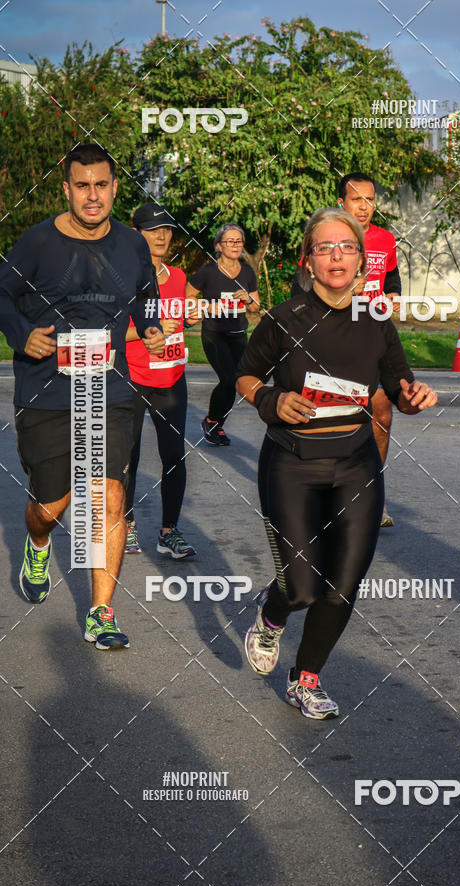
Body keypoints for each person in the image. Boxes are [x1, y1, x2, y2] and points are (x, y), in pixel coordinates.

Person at [237, 208, 437, 719]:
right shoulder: (284, 319)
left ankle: (305, 680)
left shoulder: (376, 323)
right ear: (307, 260)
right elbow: (246, 376)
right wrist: (270, 402)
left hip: (355, 465)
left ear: (362, 262)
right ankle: (272, 613)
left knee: (343, 584)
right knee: (302, 588)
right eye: (324, 247)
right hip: (291, 464)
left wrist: (413, 397)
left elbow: (397, 386)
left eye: (346, 247)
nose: (336, 256)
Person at [0, 144, 164, 649]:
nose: (93, 196)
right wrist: (20, 332)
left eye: (102, 185)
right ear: (66, 188)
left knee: (108, 497)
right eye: (82, 185)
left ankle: (101, 611)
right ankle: (39, 540)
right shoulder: (36, 243)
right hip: (46, 389)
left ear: (115, 187)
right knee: (52, 504)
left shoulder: (133, 246)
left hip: (110, 387)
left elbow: (145, 291)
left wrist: (151, 324)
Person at [292, 173, 402, 527]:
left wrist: (394, 294)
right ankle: (321, 492)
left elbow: (392, 277)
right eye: (357, 200)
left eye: (370, 200)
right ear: (342, 202)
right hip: (333, 337)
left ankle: (371, 494)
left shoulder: (386, 239)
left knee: (382, 414)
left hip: (373, 335)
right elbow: (301, 287)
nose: (365, 207)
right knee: (332, 418)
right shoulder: (325, 235)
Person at [124, 202, 197, 558]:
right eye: (154, 229)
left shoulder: (179, 277)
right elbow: (110, 333)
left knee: (174, 456)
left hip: (172, 379)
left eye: (167, 229)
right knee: (130, 457)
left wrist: (191, 319)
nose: (162, 235)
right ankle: (127, 524)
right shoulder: (123, 278)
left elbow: (180, 319)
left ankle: (169, 532)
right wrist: (147, 332)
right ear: (136, 233)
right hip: (134, 379)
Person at [187, 224, 260, 445]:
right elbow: (188, 296)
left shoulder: (247, 272)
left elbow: (256, 306)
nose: (235, 245)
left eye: (239, 241)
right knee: (228, 378)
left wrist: (248, 299)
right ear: (219, 246)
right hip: (214, 334)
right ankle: (212, 422)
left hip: (238, 334)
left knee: (236, 381)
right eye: (230, 241)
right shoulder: (208, 271)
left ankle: (215, 425)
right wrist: (207, 308)